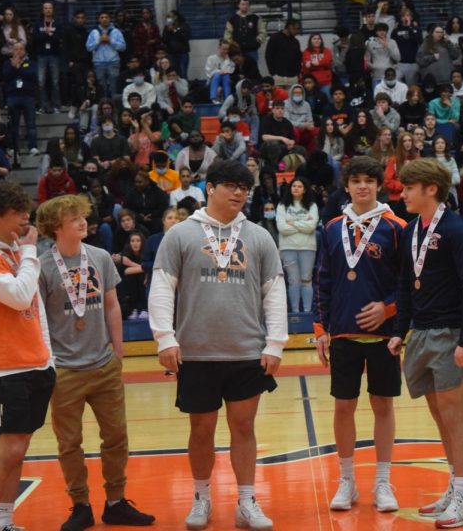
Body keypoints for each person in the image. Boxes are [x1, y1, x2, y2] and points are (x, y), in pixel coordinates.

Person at [149, 160, 288, 531]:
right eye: (230, 185)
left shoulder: (259, 236)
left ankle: (246, 500)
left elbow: (274, 291)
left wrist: (275, 343)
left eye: (245, 187)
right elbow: (162, 287)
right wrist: (164, 337)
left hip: (246, 350)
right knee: (201, 430)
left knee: (244, 427)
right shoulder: (180, 235)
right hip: (196, 351)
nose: (239, 192)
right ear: (209, 188)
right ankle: (201, 495)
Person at [35, 195, 154, 531]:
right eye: (74, 218)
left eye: (82, 217)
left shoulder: (100, 257)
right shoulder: (43, 267)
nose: (83, 222)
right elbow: (39, 321)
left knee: (116, 436)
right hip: (65, 370)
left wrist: (118, 351)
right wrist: (49, 362)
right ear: (57, 227)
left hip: (104, 364)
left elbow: (113, 305)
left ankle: (116, 502)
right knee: (69, 443)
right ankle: (80, 505)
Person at [386, 159, 463, 528]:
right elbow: (404, 284)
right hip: (420, 333)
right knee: (438, 415)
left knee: (453, 414)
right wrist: (399, 329)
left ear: (431, 188)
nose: (403, 193)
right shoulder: (412, 230)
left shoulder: (457, 231)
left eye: (409, 187)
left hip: (448, 333)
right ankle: (455, 485)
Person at [313, 156, 406, 512]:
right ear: (347, 185)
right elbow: (322, 279)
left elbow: (407, 284)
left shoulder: (395, 226)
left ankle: (383, 481)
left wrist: (389, 308)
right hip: (343, 333)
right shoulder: (332, 227)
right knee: (343, 406)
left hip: (384, 335)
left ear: (379, 185)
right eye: (356, 181)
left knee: (382, 405)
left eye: (370, 180)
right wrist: (321, 329)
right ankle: (347, 480)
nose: (363, 186)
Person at [0, 181, 56, 531]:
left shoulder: (15, 252)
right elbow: (19, 295)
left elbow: (35, 310)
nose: (25, 218)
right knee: (9, 451)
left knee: (20, 449)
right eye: (19, 213)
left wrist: (47, 357)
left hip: (36, 362)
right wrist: (31, 253)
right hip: (5, 368)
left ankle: (5, 520)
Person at [276, 177, 319, 313]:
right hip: (287, 248)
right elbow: (281, 228)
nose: (296, 188)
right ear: (290, 188)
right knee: (293, 281)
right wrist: (303, 225)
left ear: (304, 189)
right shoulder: (282, 206)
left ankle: (307, 312)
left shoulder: (312, 206)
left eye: (300, 186)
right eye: (294, 186)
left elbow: (311, 227)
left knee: (306, 280)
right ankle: (295, 312)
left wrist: (292, 223)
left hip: (308, 248)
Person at [86, 12, 127, 100]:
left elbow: (123, 47)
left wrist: (110, 41)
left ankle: (114, 106)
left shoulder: (116, 31)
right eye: (102, 17)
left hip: (113, 62)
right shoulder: (94, 32)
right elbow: (88, 47)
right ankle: (103, 106)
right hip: (98, 62)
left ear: (109, 19)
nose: (104, 19)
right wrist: (98, 41)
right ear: (99, 19)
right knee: (101, 86)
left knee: (114, 86)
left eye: (106, 17)